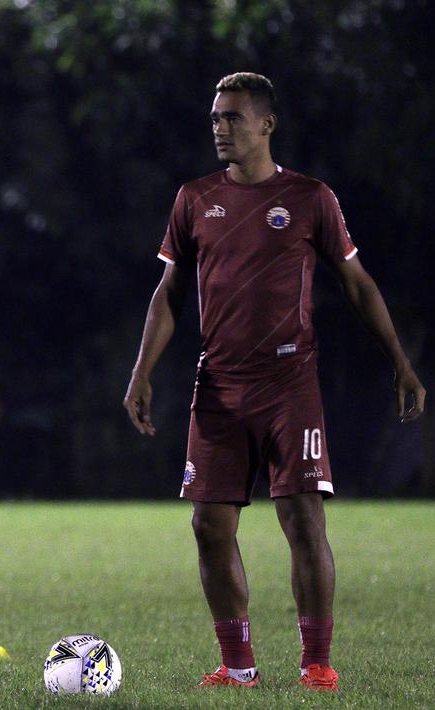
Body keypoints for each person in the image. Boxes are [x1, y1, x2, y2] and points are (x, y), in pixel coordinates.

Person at [123, 72, 425, 692]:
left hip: (290, 383)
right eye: (214, 118)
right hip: (218, 386)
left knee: (303, 518)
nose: (219, 129)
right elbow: (169, 293)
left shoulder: (311, 197)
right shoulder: (193, 198)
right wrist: (142, 372)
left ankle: (317, 662)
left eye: (232, 117)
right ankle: (238, 667)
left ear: (266, 124)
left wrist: (401, 362)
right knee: (208, 524)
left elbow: (358, 284)